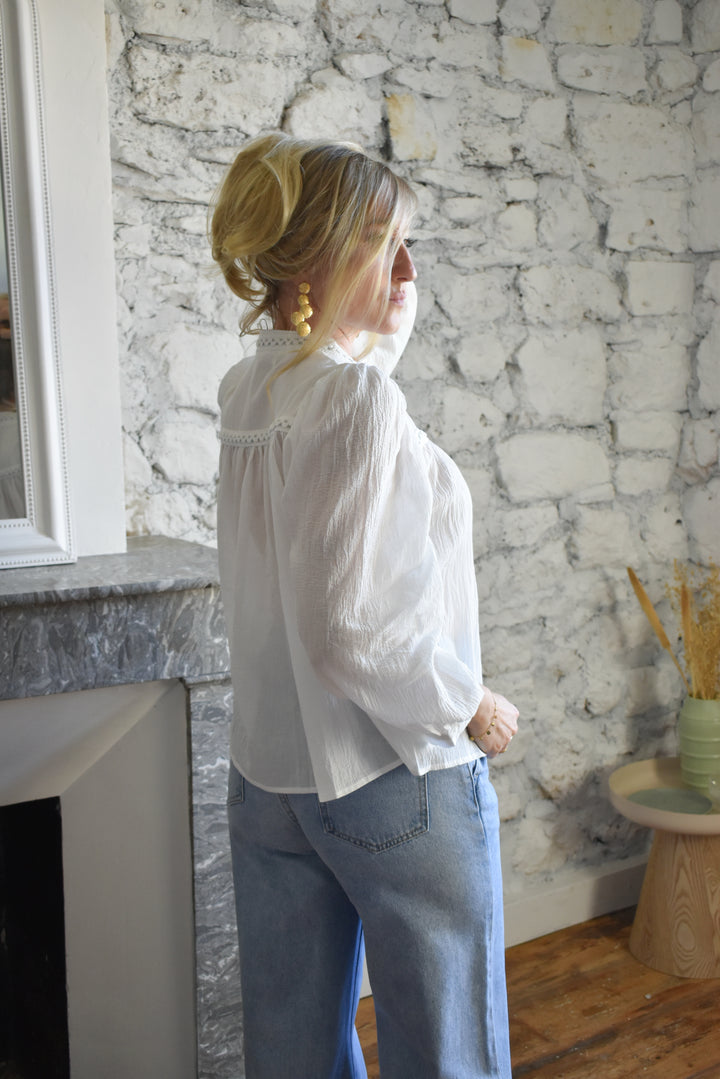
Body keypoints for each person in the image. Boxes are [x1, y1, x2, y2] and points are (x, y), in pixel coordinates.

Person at [211, 133, 519, 1079]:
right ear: (316, 256)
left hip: (270, 778)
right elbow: (346, 628)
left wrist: (379, 306)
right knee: (448, 1054)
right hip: (392, 772)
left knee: (293, 1052)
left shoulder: (249, 388)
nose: (407, 269)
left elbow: (345, 378)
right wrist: (467, 703)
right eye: (386, 243)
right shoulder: (356, 401)